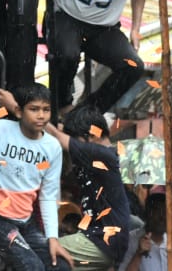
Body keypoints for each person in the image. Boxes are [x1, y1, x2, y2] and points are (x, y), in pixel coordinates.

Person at [0, 83, 72, 271]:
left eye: (46, 110)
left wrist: (53, 238)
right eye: (34, 109)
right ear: (18, 111)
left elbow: (48, 196)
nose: (41, 115)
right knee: (32, 267)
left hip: (26, 221)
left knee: (61, 266)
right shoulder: (1, 129)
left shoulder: (53, 147)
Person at [39, 101, 130, 271]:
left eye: (78, 140)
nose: (76, 146)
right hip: (103, 240)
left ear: (92, 135)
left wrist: (23, 110)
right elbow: (62, 134)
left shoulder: (102, 155)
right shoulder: (99, 155)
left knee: (44, 252)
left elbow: (60, 138)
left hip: (102, 239)